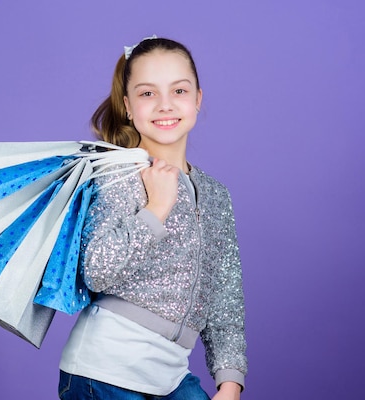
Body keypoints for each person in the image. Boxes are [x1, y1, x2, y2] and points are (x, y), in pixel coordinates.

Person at [58, 36, 247, 400]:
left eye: (179, 90)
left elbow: (226, 297)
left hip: (170, 376)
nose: (164, 105)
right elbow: (96, 269)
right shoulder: (116, 175)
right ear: (128, 106)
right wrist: (155, 209)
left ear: (197, 99)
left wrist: (230, 380)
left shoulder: (216, 196)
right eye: (147, 94)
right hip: (104, 373)